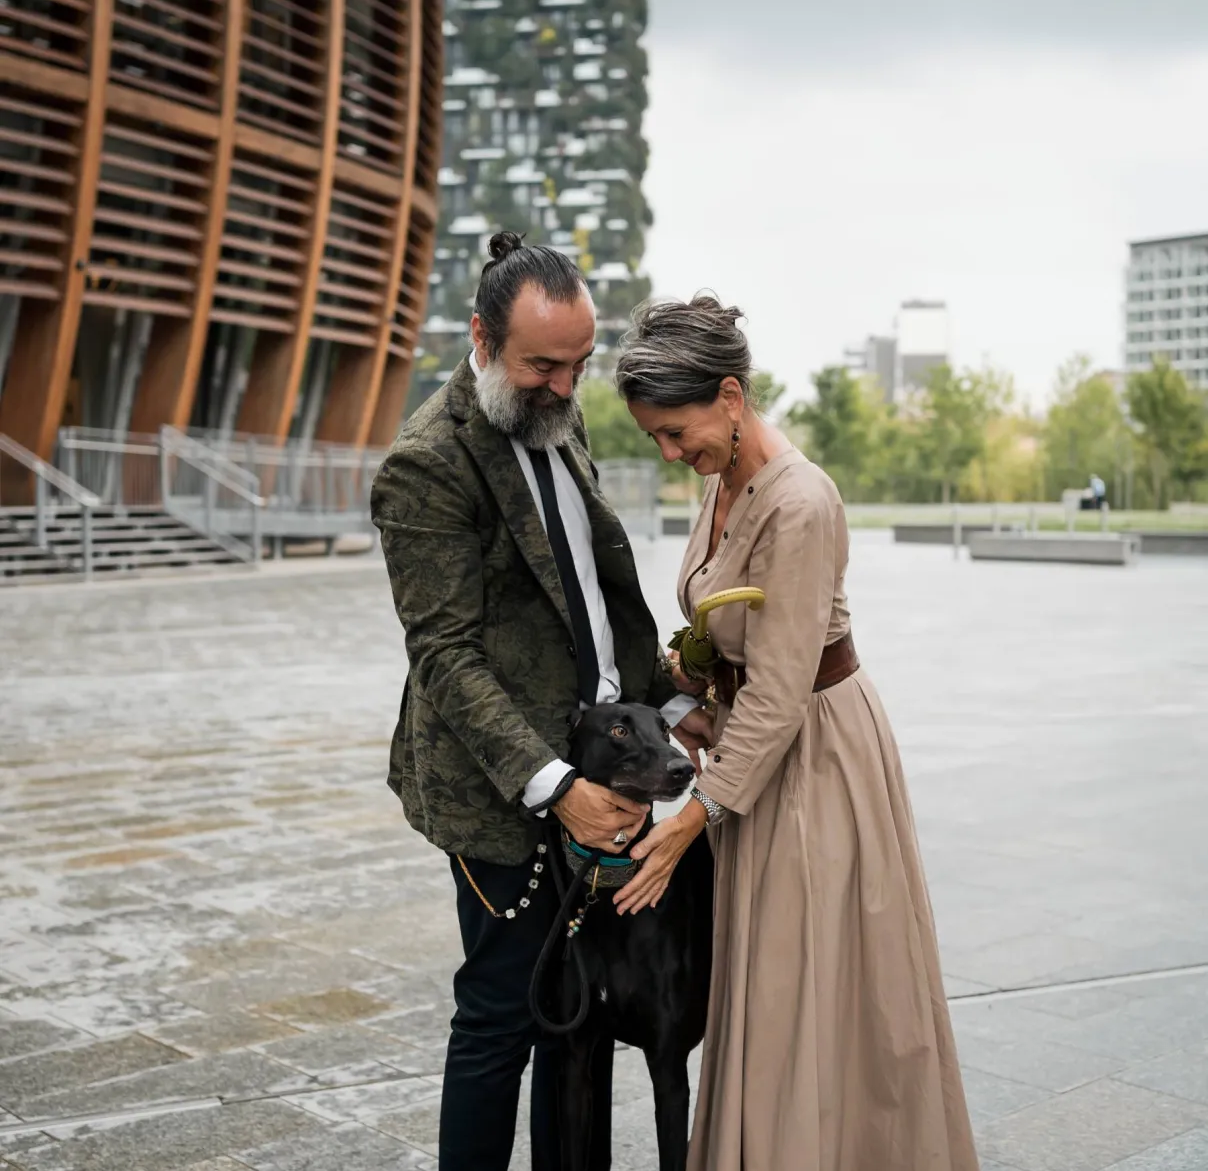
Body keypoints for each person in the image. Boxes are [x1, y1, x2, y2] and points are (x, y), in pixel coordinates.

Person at [610, 295, 980, 1171]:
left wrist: (692, 818)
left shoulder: (800, 503)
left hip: (816, 761)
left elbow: (780, 694)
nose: (670, 454)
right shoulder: (722, 479)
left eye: (675, 432)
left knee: (810, 986)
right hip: (759, 754)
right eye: (655, 438)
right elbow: (732, 639)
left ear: (730, 397)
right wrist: (688, 689)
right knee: (777, 983)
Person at [369, 233, 712, 1171]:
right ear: (482, 339)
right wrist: (556, 788)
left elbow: (591, 598)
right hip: (502, 794)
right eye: (542, 368)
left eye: (578, 365)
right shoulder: (427, 463)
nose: (564, 388)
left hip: (605, 769)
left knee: (575, 1023)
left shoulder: (557, 416)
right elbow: (444, 655)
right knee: (502, 1018)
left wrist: (665, 701)